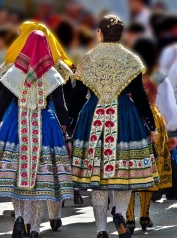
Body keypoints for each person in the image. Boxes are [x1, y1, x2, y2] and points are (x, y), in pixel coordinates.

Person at [71, 15, 158, 238]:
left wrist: (68, 125)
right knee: (124, 174)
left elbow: (78, 97)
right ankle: (119, 214)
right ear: (121, 34)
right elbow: (140, 97)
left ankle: (101, 230)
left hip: (94, 116)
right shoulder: (131, 60)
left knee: (97, 180)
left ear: (99, 33)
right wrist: (151, 126)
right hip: (125, 117)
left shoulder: (88, 59)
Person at [0, 31, 74, 238]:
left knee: (16, 175)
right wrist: (66, 135)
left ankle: (20, 218)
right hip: (45, 126)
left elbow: (2, 103)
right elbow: (61, 107)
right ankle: (34, 228)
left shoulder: (13, 73)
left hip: (15, 124)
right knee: (40, 180)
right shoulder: (52, 75)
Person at [124, 37, 172, 234]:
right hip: (154, 121)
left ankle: (128, 219)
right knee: (149, 168)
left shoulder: (128, 74)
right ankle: (145, 216)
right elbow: (168, 105)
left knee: (128, 169)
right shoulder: (159, 75)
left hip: (129, 120)